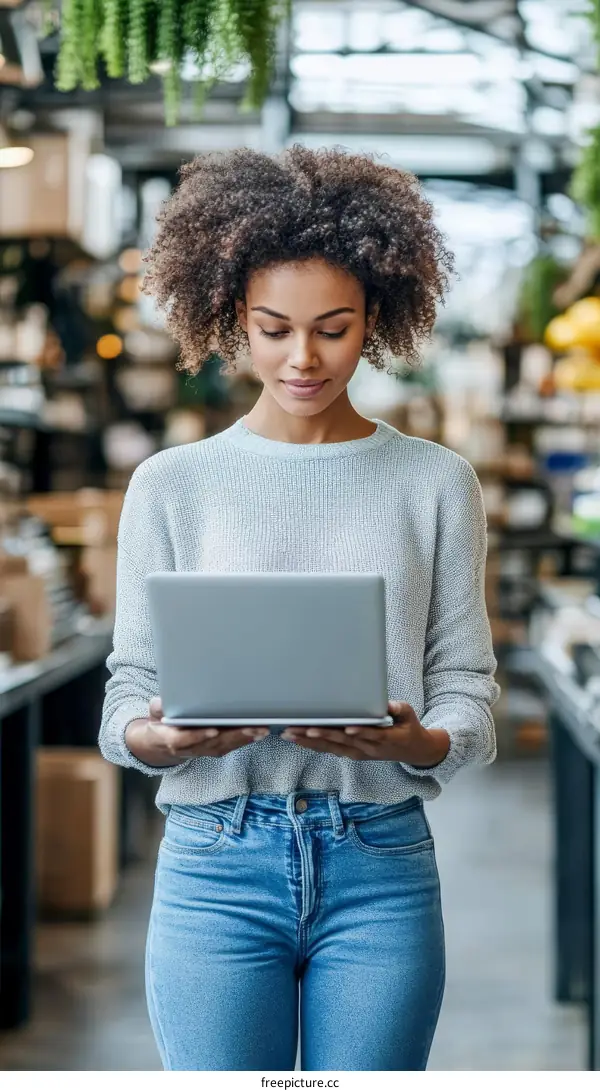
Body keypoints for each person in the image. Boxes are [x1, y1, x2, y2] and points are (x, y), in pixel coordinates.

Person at [99, 145, 501, 1072]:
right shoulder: (172, 486)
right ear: (232, 317)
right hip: (213, 862)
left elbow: (468, 691)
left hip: (381, 863)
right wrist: (157, 739)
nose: (304, 358)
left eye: (335, 327)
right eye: (274, 328)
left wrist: (418, 742)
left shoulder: (436, 483)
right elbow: (129, 693)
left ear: (380, 320)